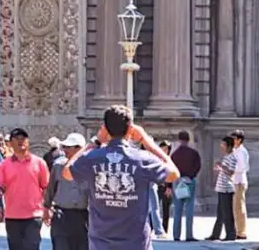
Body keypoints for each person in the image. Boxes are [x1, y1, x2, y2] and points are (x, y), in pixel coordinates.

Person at [64, 105, 180, 250]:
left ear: (105, 129)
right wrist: (146, 141)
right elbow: (174, 174)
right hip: (136, 244)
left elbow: (67, 172)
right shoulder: (142, 159)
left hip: (101, 244)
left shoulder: (92, 158)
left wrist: (93, 143)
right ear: (131, 129)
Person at [0, 128, 50, 250]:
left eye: (23, 138)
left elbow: (46, 188)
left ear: (28, 141)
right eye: (16, 139)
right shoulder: (4, 165)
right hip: (12, 216)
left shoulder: (39, 163)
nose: (20, 141)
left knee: (32, 247)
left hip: (34, 216)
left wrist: (47, 208)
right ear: (10, 143)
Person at [43, 134, 88, 250]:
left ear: (79, 149)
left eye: (69, 147)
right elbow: (51, 188)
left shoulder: (89, 167)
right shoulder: (58, 166)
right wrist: (46, 208)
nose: (65, 150)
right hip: (62, 215)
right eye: (64, 146)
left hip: (84, 217)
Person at [168, 131, 201, 242]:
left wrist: (169, 184)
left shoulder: (174, 154)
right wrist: (191, 176)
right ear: (188, 140)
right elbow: (198, 166)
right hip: (189, 181)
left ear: (179, 140)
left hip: (177, 181)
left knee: (177, 209)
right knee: (189, 209)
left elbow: (170, 170)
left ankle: (176, 235)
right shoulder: (194, 153)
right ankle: (189, 235)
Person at [207, 136, 237, 241]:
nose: (222, 147)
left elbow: (231, 172)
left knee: (227, 213)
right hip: (221, 188)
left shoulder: (232, 157)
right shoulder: (226, 156)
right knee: (220, 213)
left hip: (226, 188)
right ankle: (216, 234)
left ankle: (231, 234)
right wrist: (220, 168)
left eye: (223, 145)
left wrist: (222, 167)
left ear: (229, 146)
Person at [229, 131, 248, 241]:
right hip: (235, 181)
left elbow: (242, 167)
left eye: (234, 138)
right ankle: (238, 230)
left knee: (239, 208)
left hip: (239, 182)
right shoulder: (235, 150)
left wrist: (229, 170)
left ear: (239, 139)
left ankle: (241, 232)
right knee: (236, 208)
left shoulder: (241, 152)